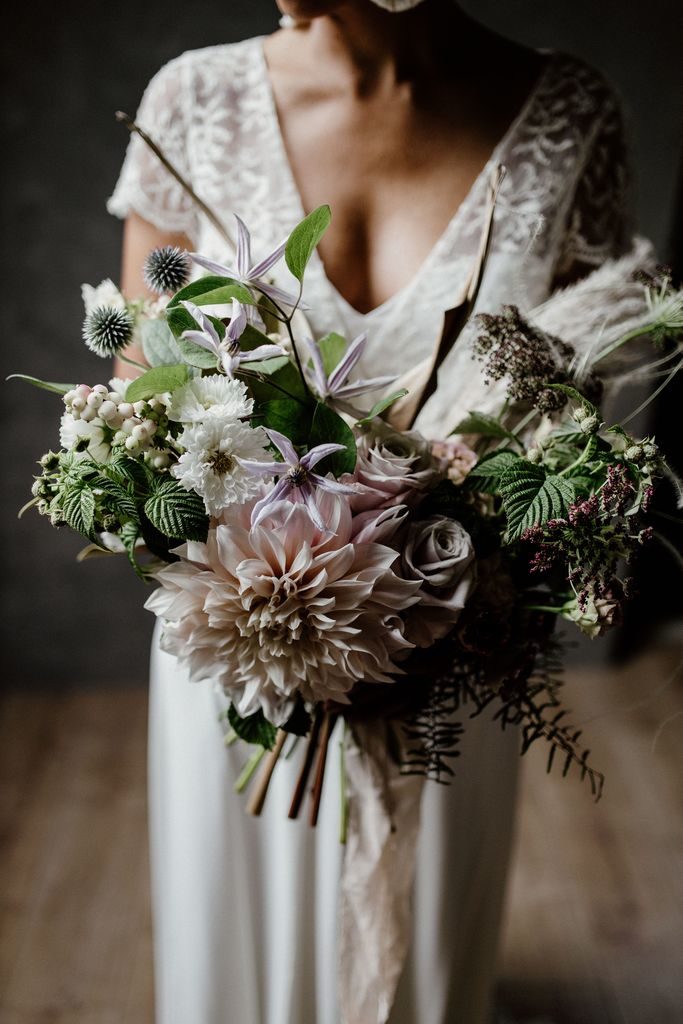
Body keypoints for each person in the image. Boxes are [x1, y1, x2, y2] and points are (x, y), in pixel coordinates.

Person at [109, 2, 630, 1021]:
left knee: (422, 961)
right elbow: (137, 386)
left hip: (452, 647)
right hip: (238, 639)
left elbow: (578, 424)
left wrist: (438, 571)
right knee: (234, 967)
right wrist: (267, 572)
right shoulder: (191, 99)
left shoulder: (567, 114)